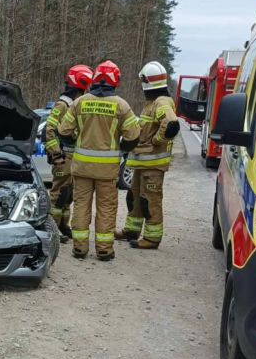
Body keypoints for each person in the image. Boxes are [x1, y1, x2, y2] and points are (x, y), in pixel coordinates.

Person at [57, 60, 140, 261]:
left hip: (82, 168)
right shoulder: (121, 105)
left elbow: (63, 131)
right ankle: (104, 249)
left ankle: (79, 248)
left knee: (81, 206)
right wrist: (120, 149)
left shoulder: (80, 102)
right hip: (107, 171)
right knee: (106, 208)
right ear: (115, 80)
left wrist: (77, 141)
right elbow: (133, 136)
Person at [115, 60, 180, 250]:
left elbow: (171, 124)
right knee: (134, 198)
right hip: (142, 165)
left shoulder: (161, 102)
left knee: (150, 200)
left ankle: (152, 239)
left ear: (147, 82)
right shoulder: (152, 103)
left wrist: (156, 141)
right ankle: (131, 230)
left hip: (153, 166)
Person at [44, 64, 93, 241]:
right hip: (63, 157)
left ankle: (63, 225)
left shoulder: (75, 103)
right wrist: (56, 154)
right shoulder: (63, 104)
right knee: (58, 195)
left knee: (68, 194)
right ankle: (51, 230)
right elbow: (49, 129)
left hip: (73, 158)